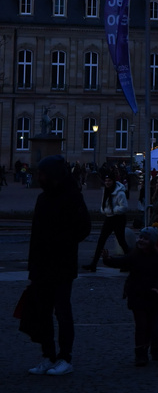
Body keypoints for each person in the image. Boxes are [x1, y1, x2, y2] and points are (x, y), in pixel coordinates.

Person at [25, 155, 91, 376]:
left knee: (62, 313)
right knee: (43, 313)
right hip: (42, 265)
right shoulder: (42, 199)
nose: (39, 177)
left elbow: (84, 228)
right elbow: (35, 235)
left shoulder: (72, 197)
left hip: (62, 265)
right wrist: (32, 265)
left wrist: (62, 241)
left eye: (42, 174)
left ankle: (65, 357)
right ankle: (48, 355)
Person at [102, 226, 158, 366]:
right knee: (141, 325)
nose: (141, 240)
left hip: (153, 297)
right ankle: (141, 353)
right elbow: (122, 261)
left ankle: (153, 347)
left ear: (152, 242)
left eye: (145, 238)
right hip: (137, 294)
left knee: (154, 327)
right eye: (140, 237)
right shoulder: (135, 255)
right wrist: (108, 260)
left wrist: (157, 288)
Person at [83, 172, 130, 272]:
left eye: (109, 181)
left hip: (118, 218)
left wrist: (114, 210)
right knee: (101, 240)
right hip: (109, 217)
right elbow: (103, 203)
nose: (107, 183)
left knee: (121, 241)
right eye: (106, 181)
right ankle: (93, 264)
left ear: (113, 181)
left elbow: (124, 207)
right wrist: (104, 210)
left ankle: (130, 262)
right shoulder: (106, 190)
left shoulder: (120, 193)